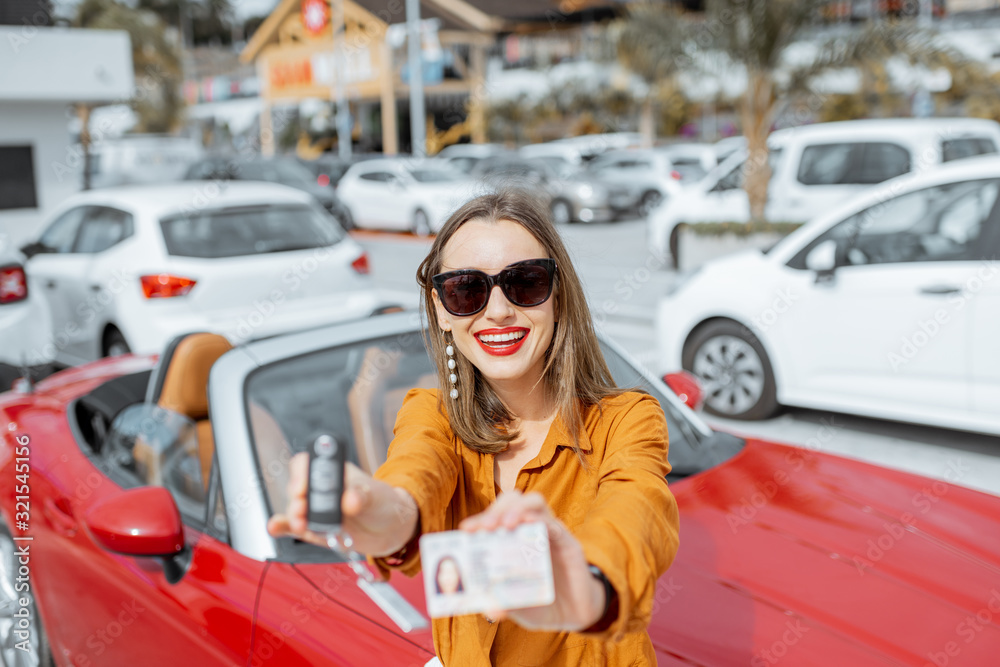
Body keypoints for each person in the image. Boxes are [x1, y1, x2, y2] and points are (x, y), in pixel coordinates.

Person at [268, 189, 680, 665]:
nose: (499, 310)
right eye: (467, 290)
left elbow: (639, 513)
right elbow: (412, 476)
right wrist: (382, 515)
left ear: (557, 295)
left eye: (524, 283)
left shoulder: (626, 420)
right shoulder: (431, 414)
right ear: (441, 308)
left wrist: (588, 587)